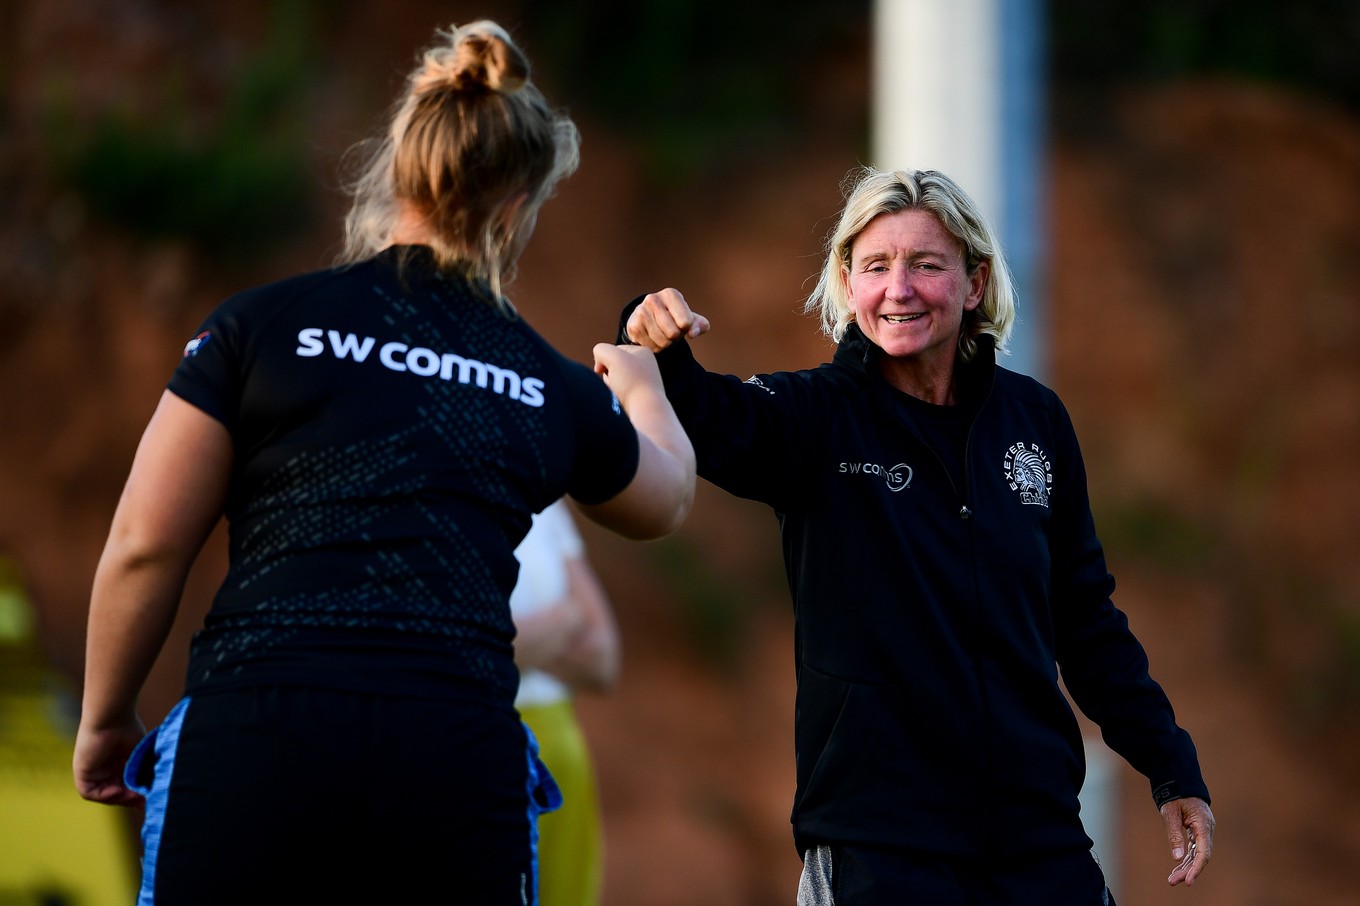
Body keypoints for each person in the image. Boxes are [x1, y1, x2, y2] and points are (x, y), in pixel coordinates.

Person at [72, 20, 694, 906]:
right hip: (450, 758)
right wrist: (642, 388)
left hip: (256, 735)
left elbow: (143, 543)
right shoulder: (542, 380)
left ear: (396, 170)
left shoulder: (261, 326)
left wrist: (104, 723)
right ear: (519, 204)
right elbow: (665, 499)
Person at [621, 166, 1215, 905]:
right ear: (848, 284)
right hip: (881, 847)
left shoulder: (1036, 421)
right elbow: (709, 417)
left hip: (1040, 841)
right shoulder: (815, 418)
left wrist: (1171, 764)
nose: (897, 289)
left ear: (974, 283)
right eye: (875, 267)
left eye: (925, 265)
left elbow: (1086, 620)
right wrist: (652, 341)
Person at [510, 499, 618, 906]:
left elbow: (603, 657)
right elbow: (437, 648)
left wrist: (508, 642)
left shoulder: (546, 502)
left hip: (562, 756)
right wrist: (566, 619)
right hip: (481, 740)